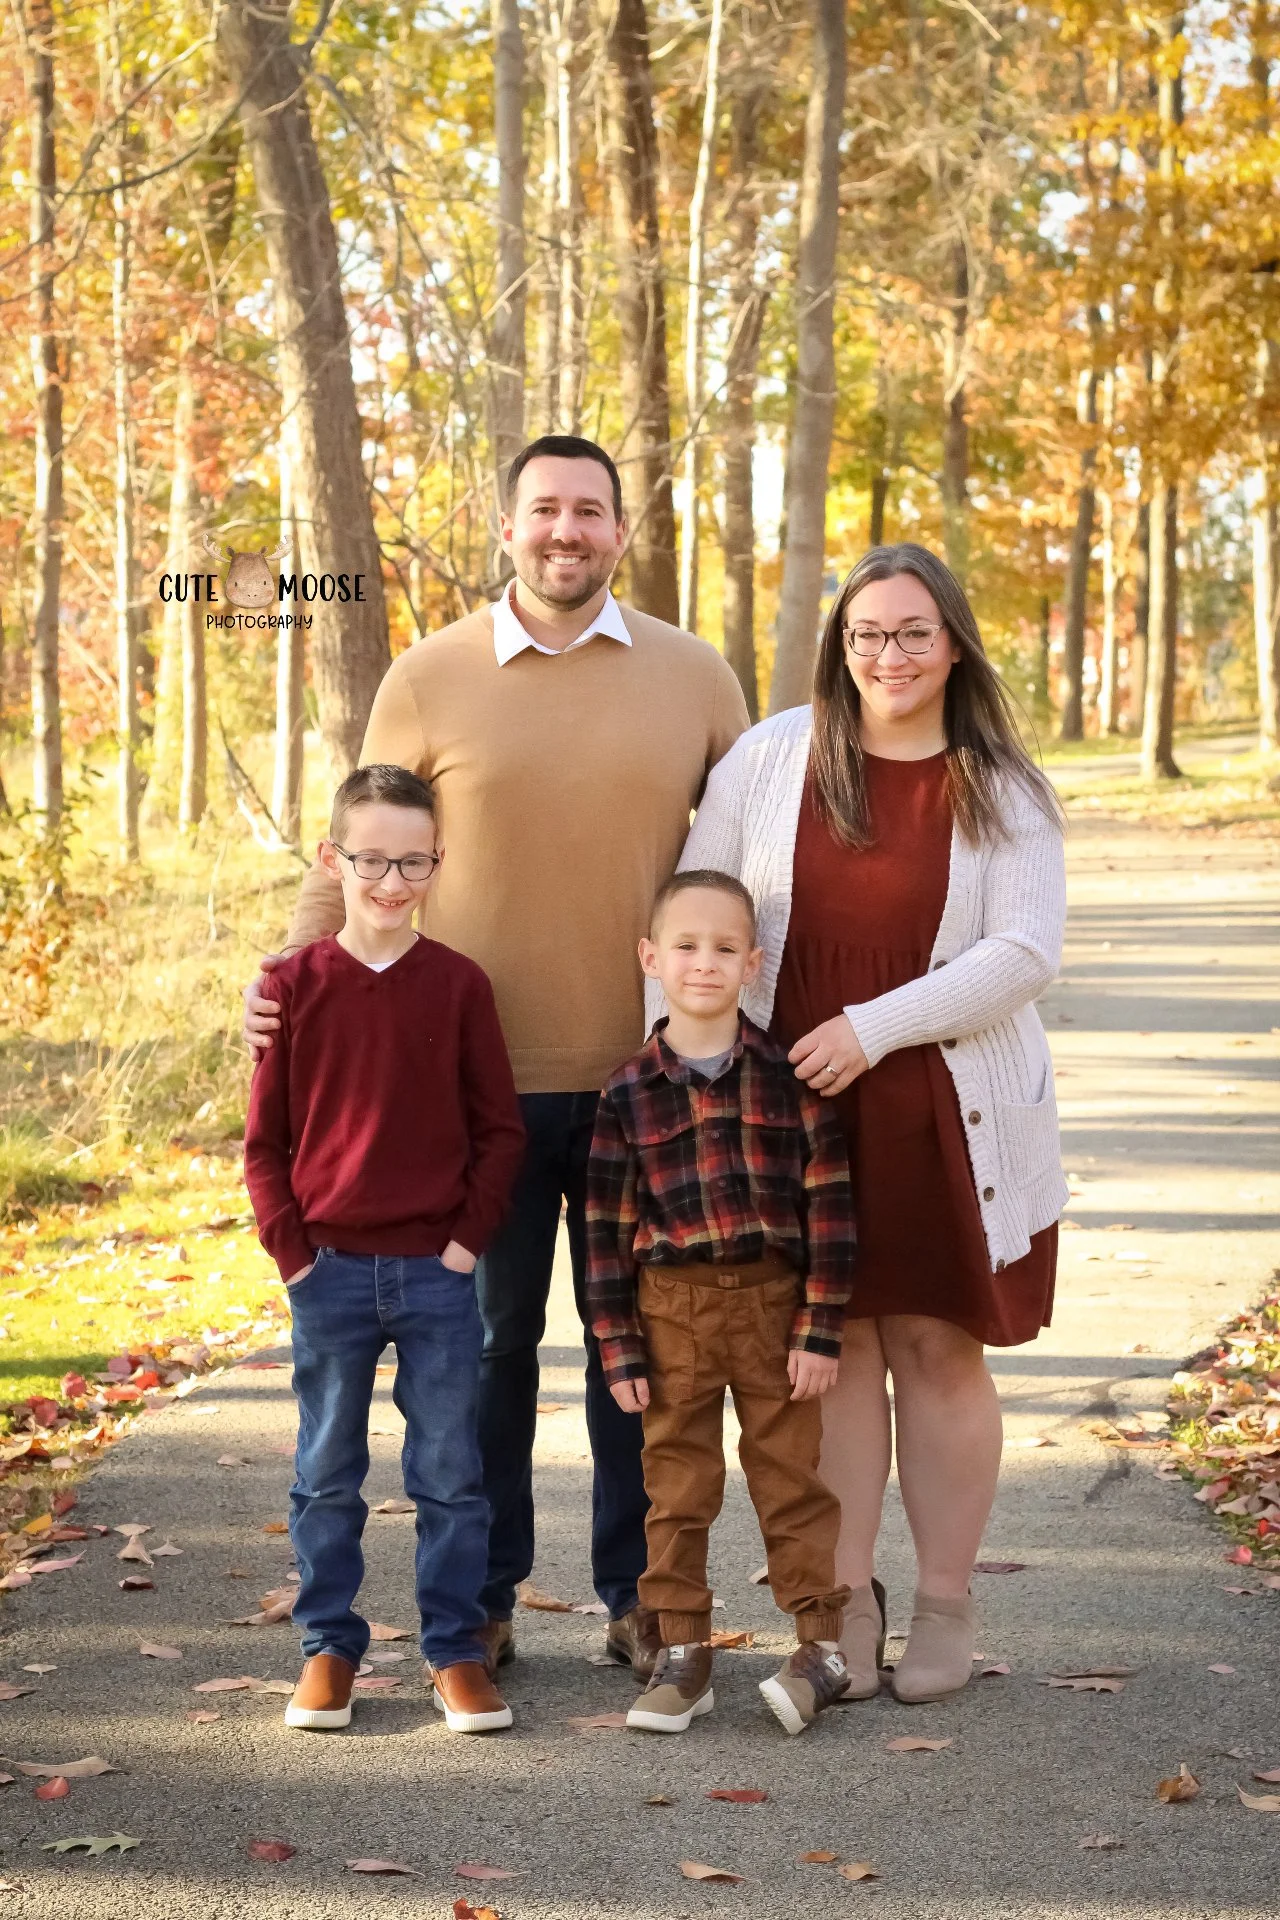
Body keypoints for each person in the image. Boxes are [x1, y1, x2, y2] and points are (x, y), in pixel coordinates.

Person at [242, 435, 750, 1677]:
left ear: (618, 530)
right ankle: (485, 1598)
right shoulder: (428, 676)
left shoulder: (693, 676)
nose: (565, 530)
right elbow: (355, 847)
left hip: (651, 1083)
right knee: (487, 1352)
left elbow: (750, 862)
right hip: (473, 1092)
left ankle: (641, 1597)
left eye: (588, 510)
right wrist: (287, 987)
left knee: (643, 1352)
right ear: (507, 526)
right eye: (543, 509)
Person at [664, 542, 1067, 1705]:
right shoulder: (768, 758)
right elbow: (693, 913)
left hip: (944, 1110)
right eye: (865, 634)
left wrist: (872, 1028)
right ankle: (838, 1608)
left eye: (911, 632)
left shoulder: (1000, 785)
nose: (888, 655)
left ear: (953, 646)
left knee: (936, 1350)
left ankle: (943, 1603)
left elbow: (1022, 952)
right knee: (825, 1361)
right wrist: (689, 1072)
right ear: (839, 648)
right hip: (791, 1116)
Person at [243, 765, 525, 1735]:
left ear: (438, 863)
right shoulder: (293, 987)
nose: (391, 882)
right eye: (371, 861)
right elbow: (264, 1145)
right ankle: (328, 1648)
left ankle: (454, 1651)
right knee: (326, 1473)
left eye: (412, 863)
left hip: (436, 1276)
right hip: (326, 1271)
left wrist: (463, 1248)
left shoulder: (459, 986)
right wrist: (293, 1256)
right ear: (334, 860)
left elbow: (499, 1133)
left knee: (449, 1474)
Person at [587, 870, 856, 1736]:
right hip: (672, 1313)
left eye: (725, 948)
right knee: (676, 1484)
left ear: (752, 964)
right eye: (686, 946)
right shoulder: (626, 1090)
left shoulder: (791, 1077)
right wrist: (619, 1347)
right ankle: (683, 1652)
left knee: (791, 1478)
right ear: (650, 958)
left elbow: (830, 1210)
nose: (704, 963)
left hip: (775, 1309)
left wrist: (819, 1329)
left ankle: (820, 1647)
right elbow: (604, 1234)